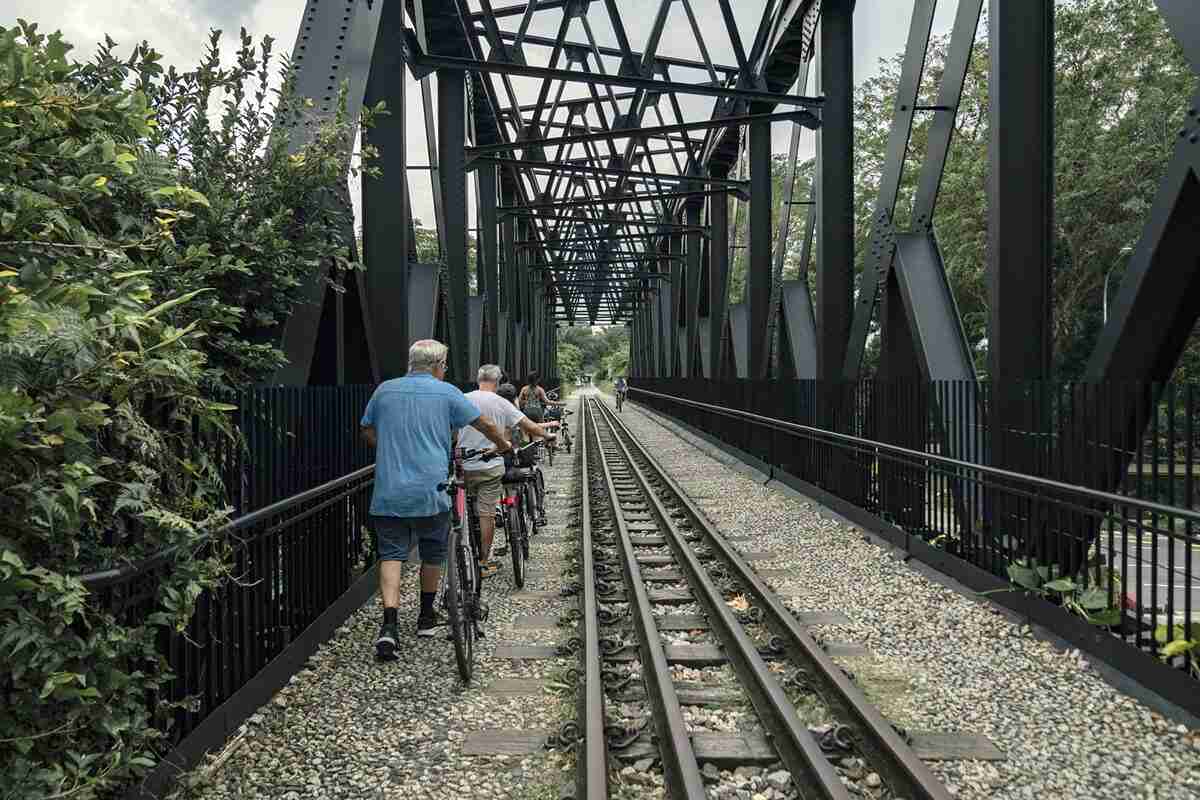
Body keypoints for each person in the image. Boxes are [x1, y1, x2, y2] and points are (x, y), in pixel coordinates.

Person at [360, 340, 511, 659]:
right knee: (433, 553)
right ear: (439, 364)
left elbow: (369, 431)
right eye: (445, 365)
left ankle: (389, 627)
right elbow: (482, 422)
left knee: (392, 555)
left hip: (390, 492)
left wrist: (391, 448)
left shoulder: (385, 390)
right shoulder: (447, 393)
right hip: (432, 491)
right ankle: (426, 617)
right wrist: (501, 443)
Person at [458, 366, 556, 578]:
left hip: (465, 466)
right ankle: (484, 561)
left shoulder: (462, 399)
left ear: (477, 379)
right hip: (490, 467)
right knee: (487, 514)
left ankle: (463, 550)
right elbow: (529, 426)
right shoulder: (501, 402)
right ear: (498, 381)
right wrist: (547, 436)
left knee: (466, 508)